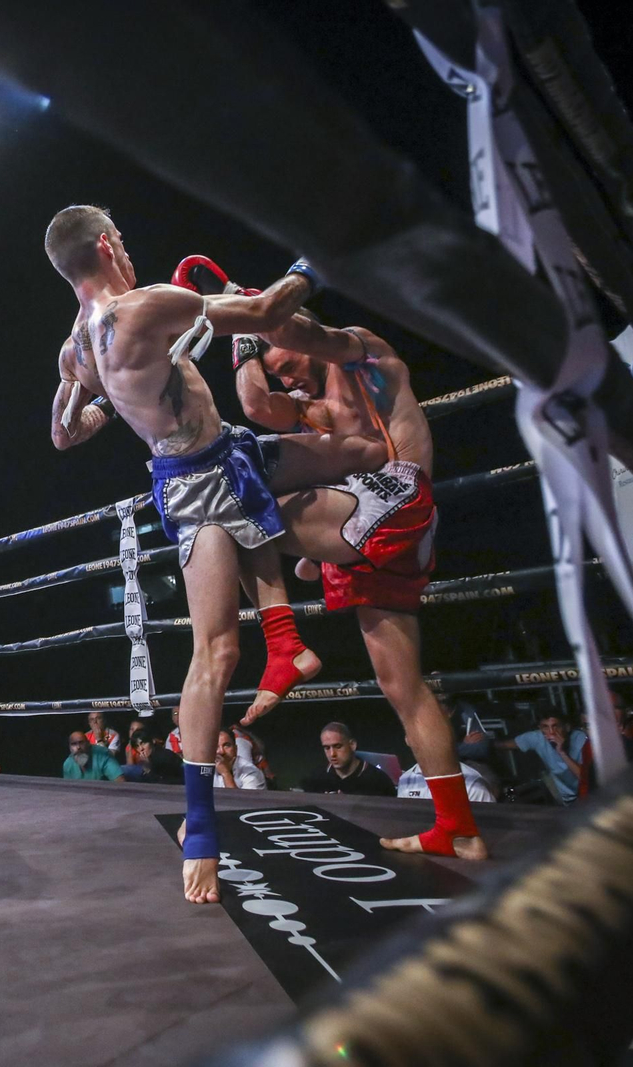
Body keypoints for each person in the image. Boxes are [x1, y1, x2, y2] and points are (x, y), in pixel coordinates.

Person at [45, 207, 380, 904]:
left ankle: (295, 620)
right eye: (125, 239)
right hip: (202, 483)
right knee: (217, 652)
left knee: (355, 455)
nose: (130, 252)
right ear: (107, 245)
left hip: (213, 458)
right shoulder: (143, 305)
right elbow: (264, 311)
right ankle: (200, 831)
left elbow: (65, 434)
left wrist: (110, 390)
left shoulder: (76, 348)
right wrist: (317, 255)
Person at [218, 305, 485, 859]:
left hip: (396, 500)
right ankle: (458, 829)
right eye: (274, 369)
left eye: (284, 361)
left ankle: (284, 644)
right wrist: (243, 338)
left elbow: (303, 333)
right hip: (366, 531)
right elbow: (252, 404)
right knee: (402, 688)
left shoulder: (362, 350)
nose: (284, 375)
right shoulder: (306, 408)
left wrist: (255, 312)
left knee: (236, 495)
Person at [301, 722, 398, 797]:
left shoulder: (378, 781)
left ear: (352, 745)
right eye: (327, 748)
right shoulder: (316, 779)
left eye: (338, 746)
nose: (332, 754)